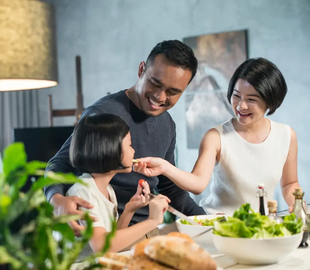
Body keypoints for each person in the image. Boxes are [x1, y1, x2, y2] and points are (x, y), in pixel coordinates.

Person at [45, 40, 205, 235]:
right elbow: (59, 164)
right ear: (141, 70)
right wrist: (57, 201)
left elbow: (169, 187)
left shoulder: (167, 124)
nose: (160, 97)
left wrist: (207, 221)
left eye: (173, 92)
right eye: (155, 83)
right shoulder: (103, 113)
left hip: (148, 229)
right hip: (107, 231)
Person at [133, 57, 301, 215]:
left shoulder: (286, 135)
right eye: (236, 96)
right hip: (217, 226)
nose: (241, 105)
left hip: (258, 227)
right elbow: (198, 183)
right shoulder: (216, 137)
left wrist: (297, 205)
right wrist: (164, 167)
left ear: (270, 100)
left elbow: (289, 184)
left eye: (251, 99)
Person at [66, 114, 170, 255]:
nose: (133, 151)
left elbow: (114, 241)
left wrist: (129, 209)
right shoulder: (82, 192)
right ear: (110, 149)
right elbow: (102, 245)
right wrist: (152, 220)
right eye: (129, 144)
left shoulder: (108, 189)